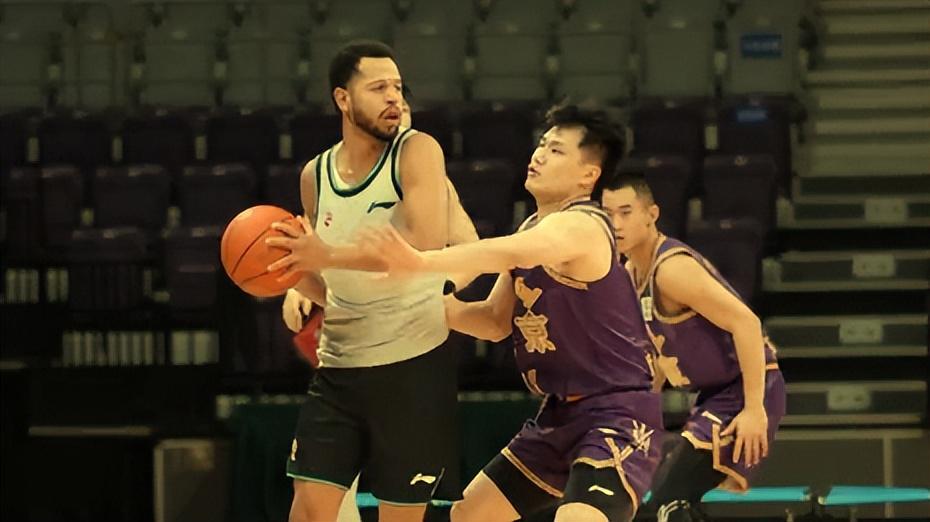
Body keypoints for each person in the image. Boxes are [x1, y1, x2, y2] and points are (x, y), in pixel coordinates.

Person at [274, 103, 664, 522]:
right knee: (467, 516)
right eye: (541, 145)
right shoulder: (532, 227)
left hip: (616, 415)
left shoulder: (583, 225)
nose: (539, 155)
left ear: (588, 175)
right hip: (558, 415)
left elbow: (512, 252)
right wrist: (410, 305)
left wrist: (419, 263)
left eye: (556, 150)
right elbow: (494, 321)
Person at [266, 40, 474, 522]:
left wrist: (325, 255)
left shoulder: (418, 151)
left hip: (411, 367)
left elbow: (423, 242)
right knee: (309, 512)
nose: (394, 98)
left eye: (398, 87)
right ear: (343, 98)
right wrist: (291, 280)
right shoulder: (315, 175)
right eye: (379, 88)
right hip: (339, 366)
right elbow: (332, 281)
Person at [599, 172, 786, 522]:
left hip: (744, 388)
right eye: (608, 214)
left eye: (625, 212)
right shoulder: (629, 273)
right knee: (666, 506)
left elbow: (747, 323)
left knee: (668, 505)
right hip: (713, 395)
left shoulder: (672, 270)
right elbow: (653, 354)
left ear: (652, 214)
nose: (616, 224)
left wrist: (754, 409)